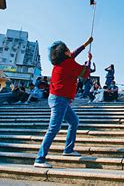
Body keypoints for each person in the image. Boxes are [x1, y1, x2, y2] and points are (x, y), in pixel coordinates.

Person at [34, 37, 93, 168]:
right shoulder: (68, 64)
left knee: (74, 122)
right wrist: (89, 61)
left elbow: (74, 53)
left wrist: (86, 44)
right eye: (67, 49)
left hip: (59, 98)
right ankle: (39, 159)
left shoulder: (62, 61)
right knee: (53, 128)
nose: (70, 51)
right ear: (65, 53)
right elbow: (85, 73)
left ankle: (68, 150)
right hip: (59, 99)